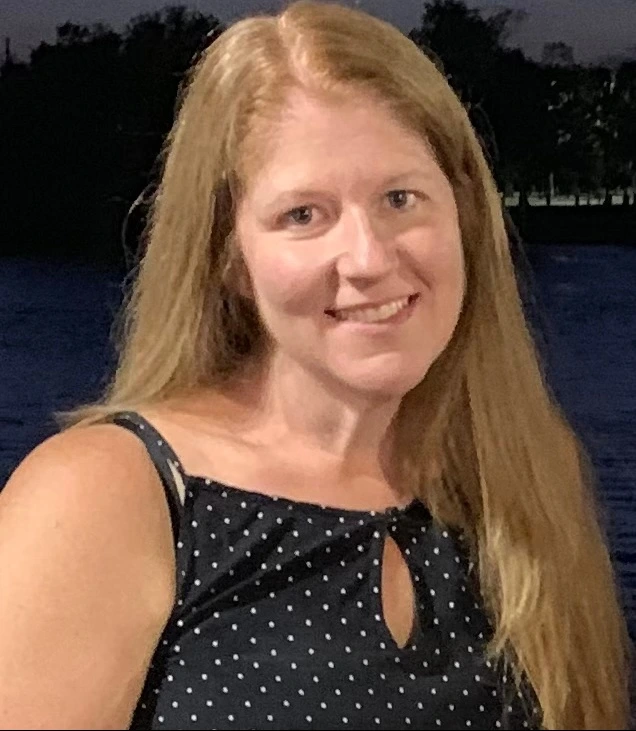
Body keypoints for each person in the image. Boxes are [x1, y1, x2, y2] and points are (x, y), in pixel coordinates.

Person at [0, 1, 631, 729]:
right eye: (303, 214)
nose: (367, 259)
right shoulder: (107, 498)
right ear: (232, 259)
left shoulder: (519, 474)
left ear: (462, 214)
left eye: (401, 198)